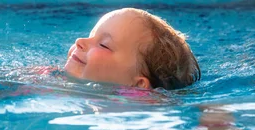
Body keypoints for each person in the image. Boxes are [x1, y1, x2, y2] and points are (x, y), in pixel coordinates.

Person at [63, 7, 201, 91]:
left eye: (103, 45)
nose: (79, 41)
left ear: (138, 85)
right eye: (91, 35)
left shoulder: (137, 103)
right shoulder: (47, 76)